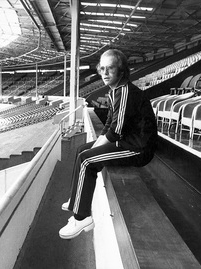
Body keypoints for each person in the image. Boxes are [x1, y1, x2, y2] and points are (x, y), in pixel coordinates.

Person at [59, 49, 158, 239]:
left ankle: (82, 218)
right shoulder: (115, 91)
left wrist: (96, 149)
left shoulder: (126, 92)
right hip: (125, 143)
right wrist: (95, 145)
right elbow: (108, 125)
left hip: (137, 149)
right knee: (82, 149)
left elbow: (115, 132)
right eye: (102, 68)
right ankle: (77, 199)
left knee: (87, 160)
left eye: (110, 68)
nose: (104, 73)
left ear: (121, 71)